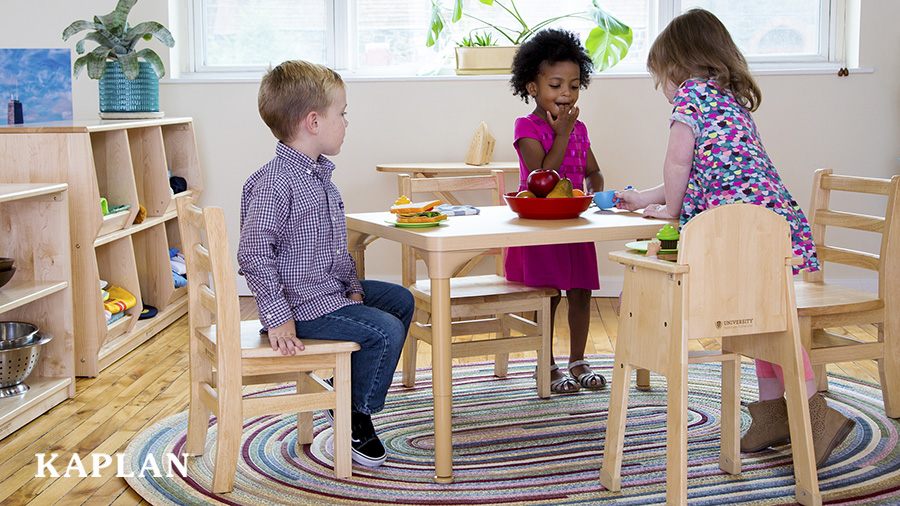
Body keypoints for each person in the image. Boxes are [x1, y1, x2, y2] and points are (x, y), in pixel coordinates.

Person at [614, 8, 854, 467]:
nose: (664, 90)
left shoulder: (690, 96)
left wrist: (668, 209)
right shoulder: (729, 101)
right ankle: (770, 415)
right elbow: (703, 168)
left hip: (729, 231)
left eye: (660, 77)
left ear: (678, 66)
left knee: (772, 323)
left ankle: (814, 416)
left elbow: (680, 164)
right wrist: (645, 195)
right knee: (760, 316)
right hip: (766, 225)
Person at [237, 60, 414, 468]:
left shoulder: (320, 179)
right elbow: (253, 254)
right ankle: (355, 413)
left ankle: (346, 390)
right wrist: (278, 318)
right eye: (343, 113)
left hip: (329, 293)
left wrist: (352, 286)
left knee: (400, 301)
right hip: (301, 306)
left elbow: (336, 247)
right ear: (314, 122)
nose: (347, 122)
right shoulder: (274, 183)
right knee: (384, 331)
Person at [507, 29, 606, 394]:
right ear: (532, 87)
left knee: (581, 292)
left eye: (575, 85)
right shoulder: (527, 127)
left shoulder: (579, 129)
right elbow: (540, 177)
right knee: (548, 294)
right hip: (541, 228)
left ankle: (578, 360)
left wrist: (595, 186)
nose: (566, 93)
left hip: (575, 224)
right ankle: (544, 363)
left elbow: (592, 170)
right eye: (555, 84)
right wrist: (561, 135)